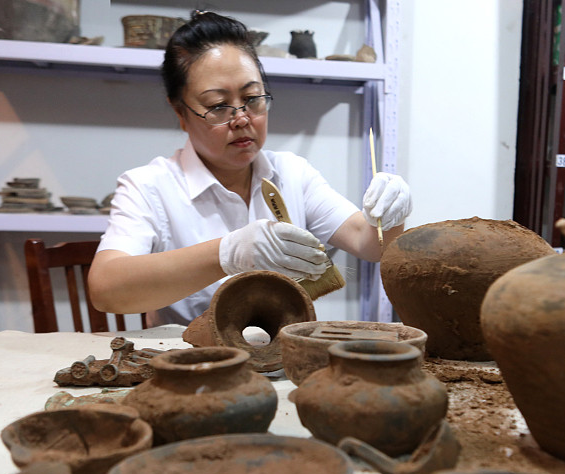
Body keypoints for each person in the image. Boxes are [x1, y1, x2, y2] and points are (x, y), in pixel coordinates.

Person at [88, 11, 411, 326]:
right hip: (194, 365)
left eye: (252, 98)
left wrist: (389, 215)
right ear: (180, 112)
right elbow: (105, 289)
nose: (242, 118)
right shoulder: (149, 186)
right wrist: (227, 253)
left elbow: (369, 244)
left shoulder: (291, 174)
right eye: (218, 106)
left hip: (284, 360)